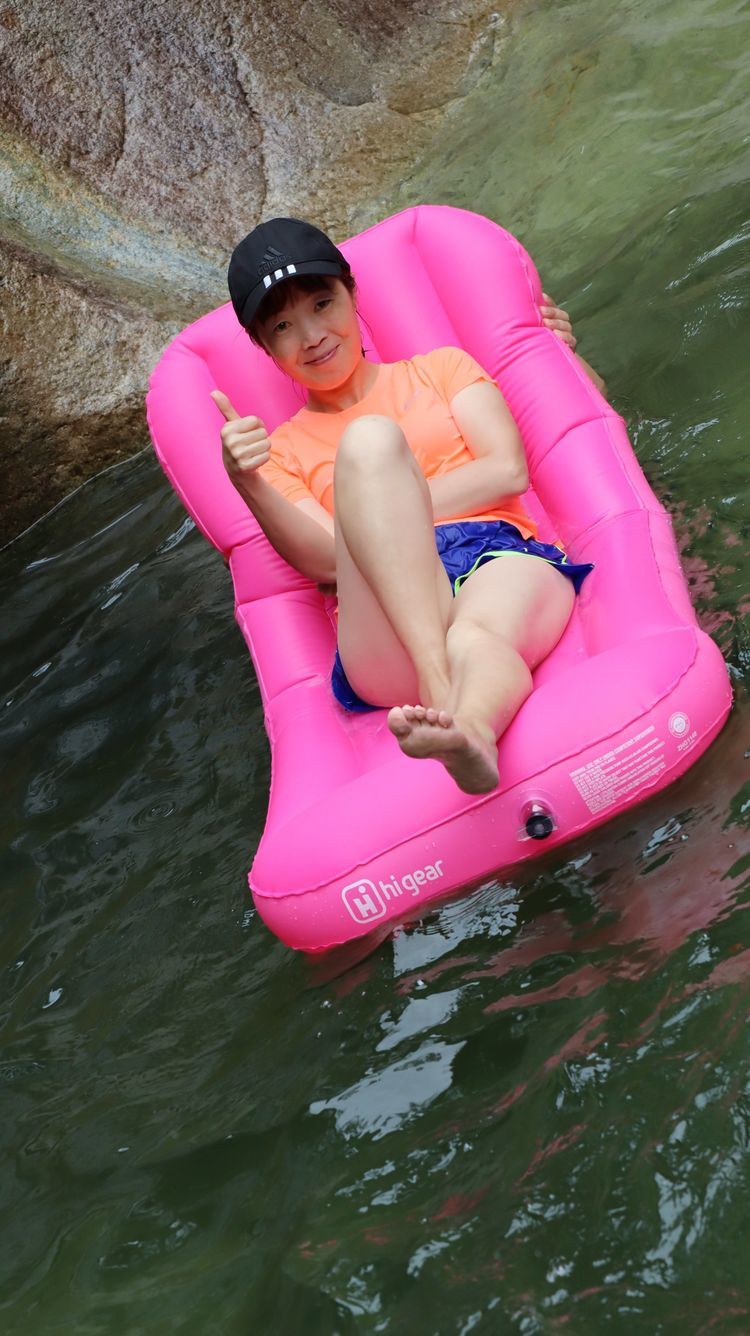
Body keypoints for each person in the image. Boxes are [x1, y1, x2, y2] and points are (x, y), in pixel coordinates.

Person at [211, 218, 601, 795]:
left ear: (352, 292)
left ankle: (470, 732)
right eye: (283, 326)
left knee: (474, 635)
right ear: (264, 347)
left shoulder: (443, 370)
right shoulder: (279, 452)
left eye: (322, 303)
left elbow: (506, 470)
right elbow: (326, 561)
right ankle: (440, 681)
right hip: (383, 624)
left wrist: (387, 512)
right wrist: (248, 483)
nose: (312, 336)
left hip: (493, 559)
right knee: (370, 444)